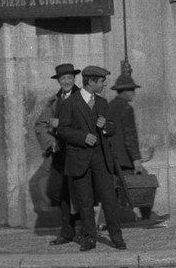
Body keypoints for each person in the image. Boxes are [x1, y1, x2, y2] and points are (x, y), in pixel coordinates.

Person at [55, 65, 125, 251]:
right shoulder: (69, 103)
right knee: (84, 201)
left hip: (101, 157)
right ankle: (89, 238)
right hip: (79, 158)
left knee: (109, 199)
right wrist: (82, 137)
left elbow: (113, 128)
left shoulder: (102, 103)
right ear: (91, 81)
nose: (105, 85)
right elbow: (62, 130)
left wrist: (106, 126)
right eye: (102, 81)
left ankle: (116, 237)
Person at [108, 72, 168, 226]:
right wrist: (136, 160)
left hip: (110, 157)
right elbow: (130, 136)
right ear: (124, 91)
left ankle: (112, 221)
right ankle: (147, 218)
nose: (133, 93)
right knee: (144, 182)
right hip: (124, 158)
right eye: (131, 90)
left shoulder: (110, 106)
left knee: (114, 189)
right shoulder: (127, 109)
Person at [33, 62, 81, 245]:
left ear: (74, 79)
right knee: (56, 191)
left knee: (80, 193)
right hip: (60, 155)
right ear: (58, 81)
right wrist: (50, 142)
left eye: (69, 78)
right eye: (63, 79)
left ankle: (82, 229)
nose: (67, 81)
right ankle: (68, 230)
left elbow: (84, 124)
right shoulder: (55, 101)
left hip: (78, 153)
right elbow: (40, 124)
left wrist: (59, 124)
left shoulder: (82, 97)